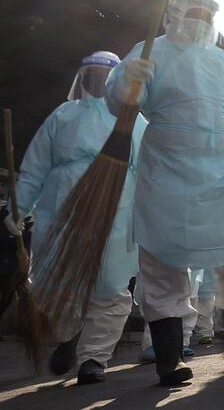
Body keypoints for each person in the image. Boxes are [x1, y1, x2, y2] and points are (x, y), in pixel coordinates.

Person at [106, 0, 224, 386]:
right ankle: (168, 359)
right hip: (168, 171)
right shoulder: (150, 52)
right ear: (175, 12)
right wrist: (128, 78)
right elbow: (120, 103)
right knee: (164, 266)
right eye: (192, 11)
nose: (199, 19)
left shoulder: (223, 63)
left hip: (221, 173)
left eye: (206, 13)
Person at [5, 51, 144, 385]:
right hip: (60, 211)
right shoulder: (62, 116)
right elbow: (35, 167)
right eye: (91, 74)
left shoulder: (133, 120)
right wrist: (18, 208)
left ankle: (94, 357)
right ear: (82, 78)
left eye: (105, 76)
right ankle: (69, 335)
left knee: (110, 286)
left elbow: (152, 167)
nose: (96, 81)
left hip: (116, 210)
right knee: (58, 283)